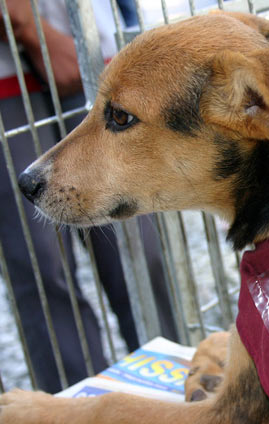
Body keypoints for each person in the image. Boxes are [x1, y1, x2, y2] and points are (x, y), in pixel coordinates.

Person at [0, 0, 176, 393]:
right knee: (40, 261)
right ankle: (74, 406)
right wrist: (30, 28)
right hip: (8, 81)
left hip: (91, 46)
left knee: (137, 247)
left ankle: (174, 381)